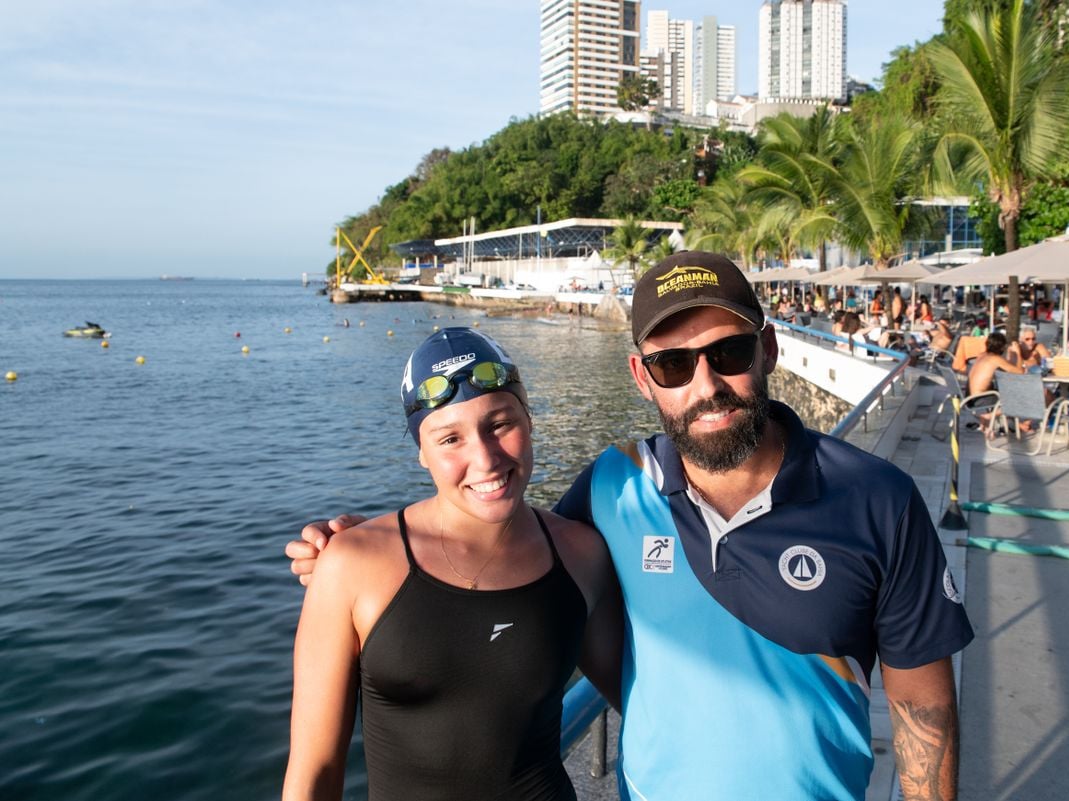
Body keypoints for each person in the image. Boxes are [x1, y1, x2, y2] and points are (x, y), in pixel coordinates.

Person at [289, 252, 973, 801]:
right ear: (642, 378)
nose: (705, 384)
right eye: (674, 363)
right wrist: (359, 553)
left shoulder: (872, 496)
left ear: (767, 349)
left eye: (728, 352)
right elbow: (501, 552)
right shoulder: (611, 491)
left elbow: (922, 709)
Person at [282, 328, 622, 801]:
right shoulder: (352, 564)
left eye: (500, 424)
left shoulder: (582, 555)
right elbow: (314, 771)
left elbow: (642, 698)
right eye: (450, 439)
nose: (484, 459)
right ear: (421, 452)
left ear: (529, 418)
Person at [968, 332, 1025, 397]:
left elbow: (1008, 369)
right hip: (982, 400)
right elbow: (1020, 372)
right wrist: (1018, 352)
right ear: (1002, 347)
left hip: (971, 399)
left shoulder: (982, 355)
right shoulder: (995, 359)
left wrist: (1009, 353)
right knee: (1014, 397)